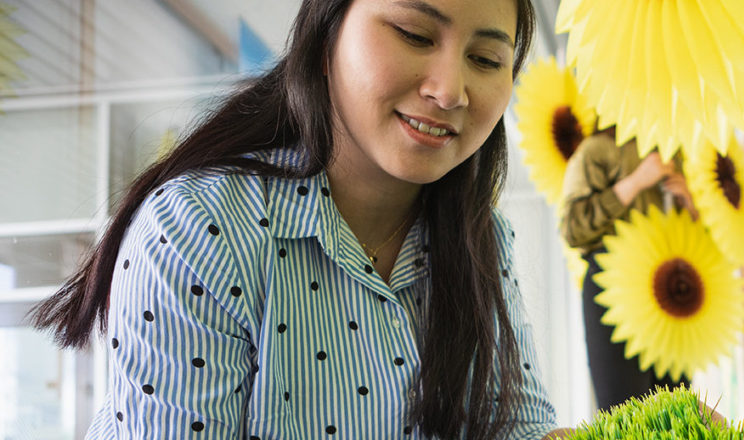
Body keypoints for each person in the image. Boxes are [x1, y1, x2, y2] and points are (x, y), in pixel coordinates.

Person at [29, 0, 569, 438]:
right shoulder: (200, 228)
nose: (449, 91)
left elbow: (516, 425)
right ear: (327, 31)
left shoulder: (482, 236)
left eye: (487, 60)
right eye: (414, 34)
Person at [559, 128, 697, 411]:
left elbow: (695, 244)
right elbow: (573, 229)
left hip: (671, 291)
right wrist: (636, 182)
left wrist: (690, 206)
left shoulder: (674, 153)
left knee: (676, 414)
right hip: (613, 288)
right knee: (624, 412)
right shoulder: (596, 150)